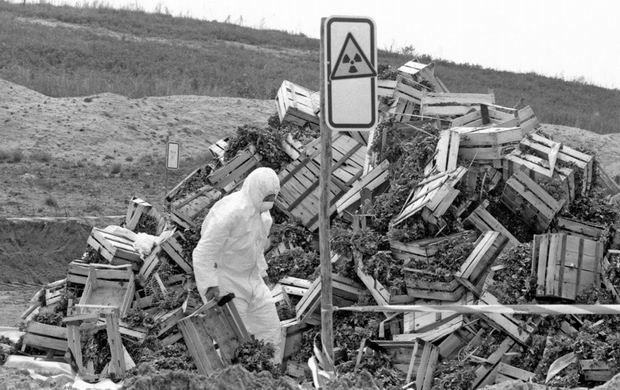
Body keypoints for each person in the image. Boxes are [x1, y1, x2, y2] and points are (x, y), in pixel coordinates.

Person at [192, 167, 282, 362]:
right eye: (267, 196)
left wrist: (263, 272)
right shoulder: (230, 213)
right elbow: (203, 253)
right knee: (232, 341)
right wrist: (210, 286)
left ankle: (270, 377)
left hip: (253, 280)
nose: (270, 201)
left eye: (273, 196)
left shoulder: (265, 217)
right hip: (227, 283)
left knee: (270, 329)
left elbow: (256, 248)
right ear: (255, 191)